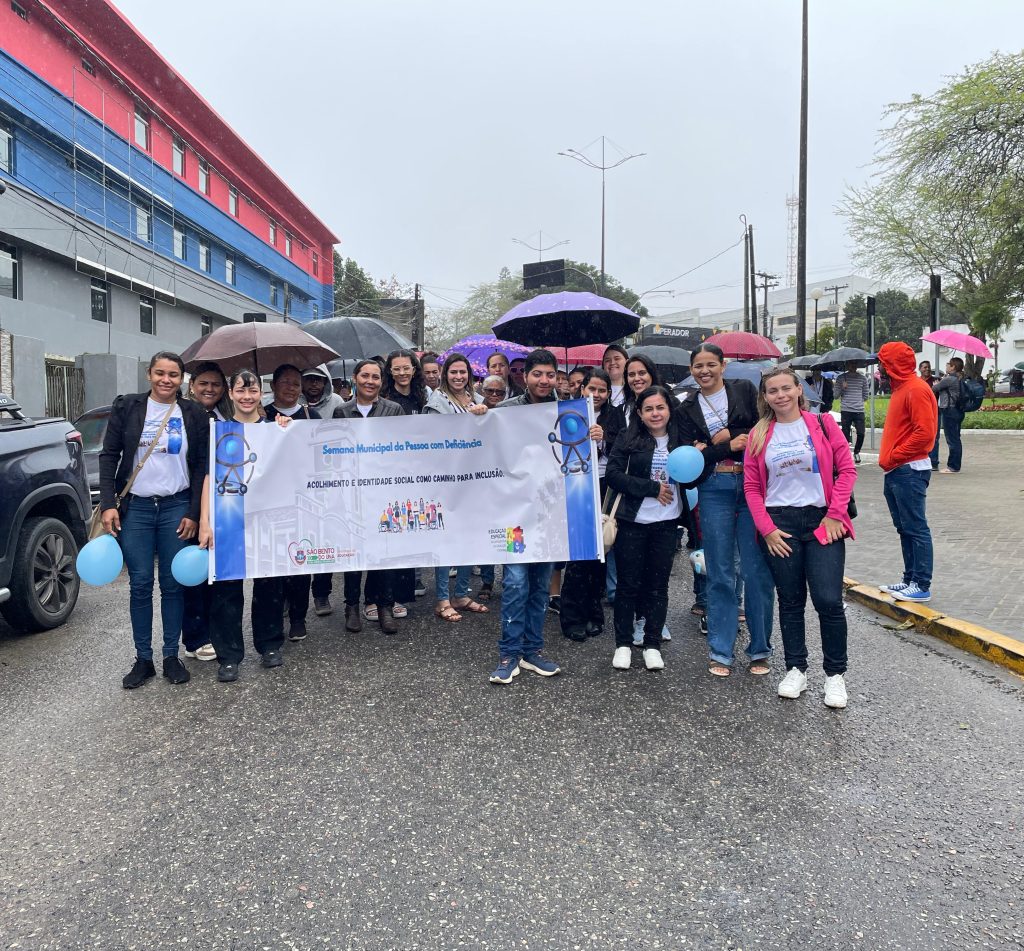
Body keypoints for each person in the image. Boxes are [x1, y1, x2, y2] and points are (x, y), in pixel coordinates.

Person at [743, 367, 857, 709]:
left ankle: (835, 676)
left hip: (823, 520)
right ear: (765, 397)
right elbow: (751, 487)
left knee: (827, 600)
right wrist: (767, 530)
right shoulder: (759, 434)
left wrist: (836, 514)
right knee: (790, 601)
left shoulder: (823, 424)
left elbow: (847, 470)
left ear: (798, 390)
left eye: (785, 388)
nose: (779, 395)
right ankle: (796, 669)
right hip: (780, 524)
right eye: (772, 391)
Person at [98, 351, 209, 689]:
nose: (166, 380)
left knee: (173, 585)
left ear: (182, 379)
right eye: (160, 373)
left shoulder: (193, 413)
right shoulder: (127, 407)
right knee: (141, 584)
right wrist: (107, 503)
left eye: (173, 375)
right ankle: (143, 659)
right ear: (149, 374)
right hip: (137, 509)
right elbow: (109, 455)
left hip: (176, 506)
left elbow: (201, 466)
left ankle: (171, 656)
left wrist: (192, 512)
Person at [677, 343, 775, 678]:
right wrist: (723, 448)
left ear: (723, 365)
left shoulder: (745, 390)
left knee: (755, 569)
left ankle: (759, 649)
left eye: (710, 365)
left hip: (751, 485)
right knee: (719, 571)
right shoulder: (686, 406)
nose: (704, 371)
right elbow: (688, 457)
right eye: (698, 366)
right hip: (713, 488)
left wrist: (729, 435)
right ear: (691, 370)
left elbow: (764, 426)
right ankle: (721, 650)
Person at [197, 369, 292, 682]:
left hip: (266, 517)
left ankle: (269, 645)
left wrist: (286, 429)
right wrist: (205, 522)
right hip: (229, 517)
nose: (247, 397)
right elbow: (208, 477)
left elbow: (293, 464)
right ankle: (229, 655)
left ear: (261, 393)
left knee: (269, 585)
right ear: (231, 392)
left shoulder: (274, 429)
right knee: (226, 589)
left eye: (253, 391)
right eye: (241, 390)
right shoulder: (220, 430)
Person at [489, 349, 562, 684]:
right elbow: (485, 448)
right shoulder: (505, 412)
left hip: (551, 513)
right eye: (538, 374)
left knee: (539, 586)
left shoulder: (568, 411)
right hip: (513, 513)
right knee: (516, 583)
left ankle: (532, 651)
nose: (544, 381)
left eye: (550, 375)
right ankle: (509, 653)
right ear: (525, 376)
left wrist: (595, 436)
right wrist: (478, 416)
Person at [605, 384, 688, 672]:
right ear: (639, 413)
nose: (655, 413)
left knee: (658, 586)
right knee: (628, 585)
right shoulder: (629, 438)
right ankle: (624, 644)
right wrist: (651, 488)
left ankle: (652, 643)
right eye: (649, 409)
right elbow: (614, 475)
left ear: (669, 409)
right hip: (633, 522)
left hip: (667, 524)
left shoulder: (681, 439)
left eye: (660, 407)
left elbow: (693, 472)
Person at [333, 360, 404, 633]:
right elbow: (335, 451)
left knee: (383, 551)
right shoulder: (342, 411)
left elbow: (400, 447)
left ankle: (385, 606)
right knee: (353, 551)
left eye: (376, 377)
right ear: (355, 378)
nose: (370, 381)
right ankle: (352, 605)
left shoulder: (393, 409)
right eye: (365, 376)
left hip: (383, 490)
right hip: (352, 491)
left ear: (381, 381)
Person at [423, 353, 490, 623]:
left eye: (463, 372)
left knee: (468, 538)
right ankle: (442, 599)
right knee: (445, 540)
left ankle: (461, 594)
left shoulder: (480, 401)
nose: (459, 377)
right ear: (444, 374)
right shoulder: (436, 402)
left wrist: (483, 416)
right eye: (453, 372)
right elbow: (432, 439)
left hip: (473, 480)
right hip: (446, 480)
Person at [877, 341, 939, 603]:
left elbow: (925, 434)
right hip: (897, 469)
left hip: (908, 469)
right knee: (905, 528)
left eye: (883, 361)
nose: (879, 366)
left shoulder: (915, 389)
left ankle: (921, 584)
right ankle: (909, 579)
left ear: (892, 364)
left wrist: (894, 456)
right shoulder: (902, 389)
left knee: (915, 528)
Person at [264, 365, 321, 641]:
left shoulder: (312, 415)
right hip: (269, 500)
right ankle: (275, 615)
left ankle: (298, 617)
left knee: (302, 559)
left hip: (305, 498)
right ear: (273, 385)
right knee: (272, 560)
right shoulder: (260, 417)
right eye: (285, 382)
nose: (291, 388)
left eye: (296, 384)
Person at [559, 368, 613, 641]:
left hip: (602, 486)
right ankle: (572, 617)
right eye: (592, 388)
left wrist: (603, 438)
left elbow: (621, 450)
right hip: (575, 485)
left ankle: (594, 613)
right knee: (578, 556)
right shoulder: (568, 411)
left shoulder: (614, 418)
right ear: (582, 389)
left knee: (599, 557)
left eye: (602, 390)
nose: (597, 394)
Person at [180, 361, 228, 663]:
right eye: (204, 383)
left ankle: (216, 633)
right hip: (190, 501)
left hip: (225, 504)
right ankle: (195, 636)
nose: (209, 389)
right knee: (194, 572)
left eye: (216, 384)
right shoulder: (181, 416)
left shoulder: (228, 418)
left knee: (219, 575)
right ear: (192, 385)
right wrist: (197, 513)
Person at [932, 357, 965, 474]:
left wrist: (937, 383)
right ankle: (955, 465)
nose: (946, 366)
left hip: (949, 411)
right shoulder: (957, 378)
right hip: (957, 410)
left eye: (948, 364)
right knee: (955, 438)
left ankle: (953, 466)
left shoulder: (949, 379)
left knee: (952, 439)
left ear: (953, 367)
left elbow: (934, 388)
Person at [834, 360, 868, 464]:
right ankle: (845, 454)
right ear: (847, 365)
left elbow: (865, 395)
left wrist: (858, 401)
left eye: (854, 364)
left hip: (859, 410)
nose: (853, 366)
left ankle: (857, 451)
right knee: (845, 434)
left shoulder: (863, 378)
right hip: (846, 410)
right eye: (851, 364)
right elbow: (835, 396)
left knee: (861, 433)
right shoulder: (840, 378)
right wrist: (843, 389)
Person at [383, 349, 428, 416]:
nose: (402, 373)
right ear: (390, 371)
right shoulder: (384, 399)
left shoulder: (422, 396)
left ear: (413, 370)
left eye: (406, 368)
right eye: (397, 369)